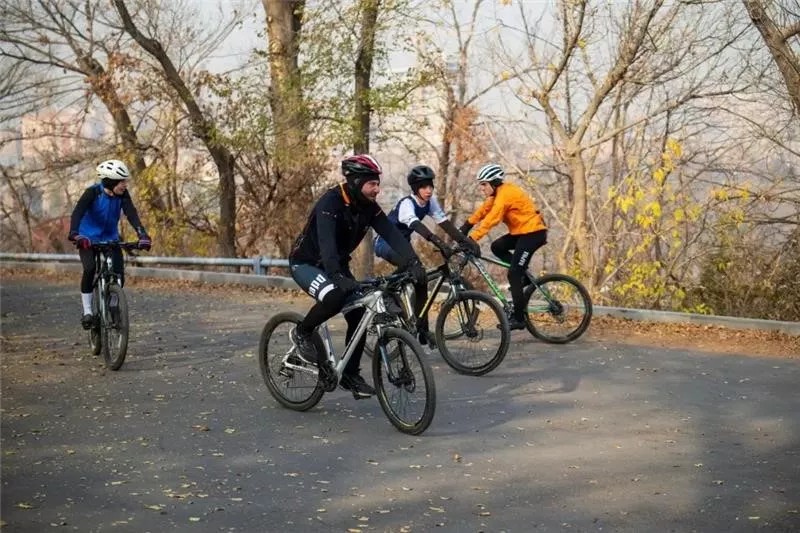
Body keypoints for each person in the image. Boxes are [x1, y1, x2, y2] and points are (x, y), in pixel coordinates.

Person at [289, 154, 426, 399]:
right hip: (307, 263)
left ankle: (350, 374)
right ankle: (302, 332)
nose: (377, 189)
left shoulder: (368, 207)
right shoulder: (330, 203)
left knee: (360, 314)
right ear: (355, 182)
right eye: (372, 183)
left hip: (336, 263)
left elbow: (392, 234)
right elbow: (327, 246)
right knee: (334, 297)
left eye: (377, 183)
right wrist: (337, 277)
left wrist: (413, 262)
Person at [373, 164, 479, 347]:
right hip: (385, 243)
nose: (428, 190)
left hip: (402, 245)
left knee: (421, 281)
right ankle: (387, 293)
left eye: (430, 186)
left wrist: (465, 241)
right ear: (415, 188)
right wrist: (440, 243)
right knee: (408, 264)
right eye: (423, 187)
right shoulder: (407, 204)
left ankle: (422, 330)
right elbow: (417, 226)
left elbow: (444, 223)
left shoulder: (430, 202)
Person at [459, 163, 547, 330]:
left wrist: (472, 238)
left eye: (484, 184)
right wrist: (466, 225)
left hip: (533, 234)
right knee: (497, 247)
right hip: (522, 232)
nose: (481, 188)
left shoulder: (504, 196)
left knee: (513, 274)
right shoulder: (497, 193)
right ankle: (524, 276)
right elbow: (484, 210)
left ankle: (519, 319)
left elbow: (492, 218)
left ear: (494, 183)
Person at [68, 159, 152, 330]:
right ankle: (88, 311)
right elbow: (78, 212)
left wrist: (142, 234)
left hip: (110, 238)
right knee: (90, 269)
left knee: (119, 273)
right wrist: (75, 234)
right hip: (87, 239)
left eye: (125, 181)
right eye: (122, 181)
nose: (125, 184)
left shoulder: (123, 195)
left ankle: (113, 302)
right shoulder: (92, 193)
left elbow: (131, 214)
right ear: (111, 182)